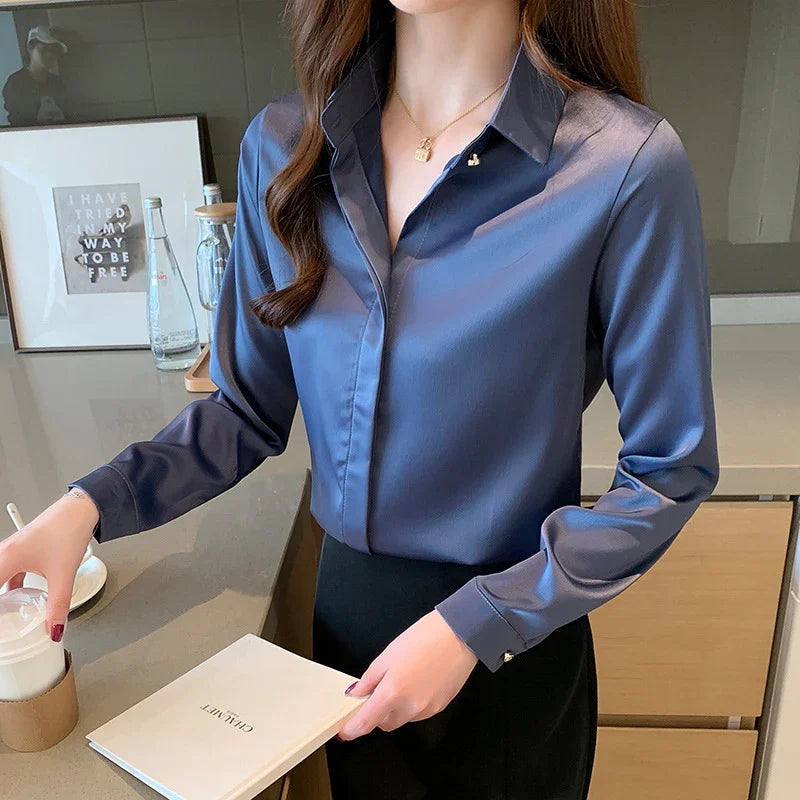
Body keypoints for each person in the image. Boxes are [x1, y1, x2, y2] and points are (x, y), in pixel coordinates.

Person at [0, 1, 719, 797]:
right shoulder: (284, 147)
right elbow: (244, 411)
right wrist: (84, 510)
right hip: (343, 636)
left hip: (508, 657)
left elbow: (668, 471)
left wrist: (472, 625)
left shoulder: (622, 165)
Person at [2, 25, 69, 126]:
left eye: (53, 50)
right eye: (43, 49)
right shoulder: (15, 83)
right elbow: (18, 120)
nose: (49, 55)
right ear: (30, 49)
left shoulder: (56, 82)